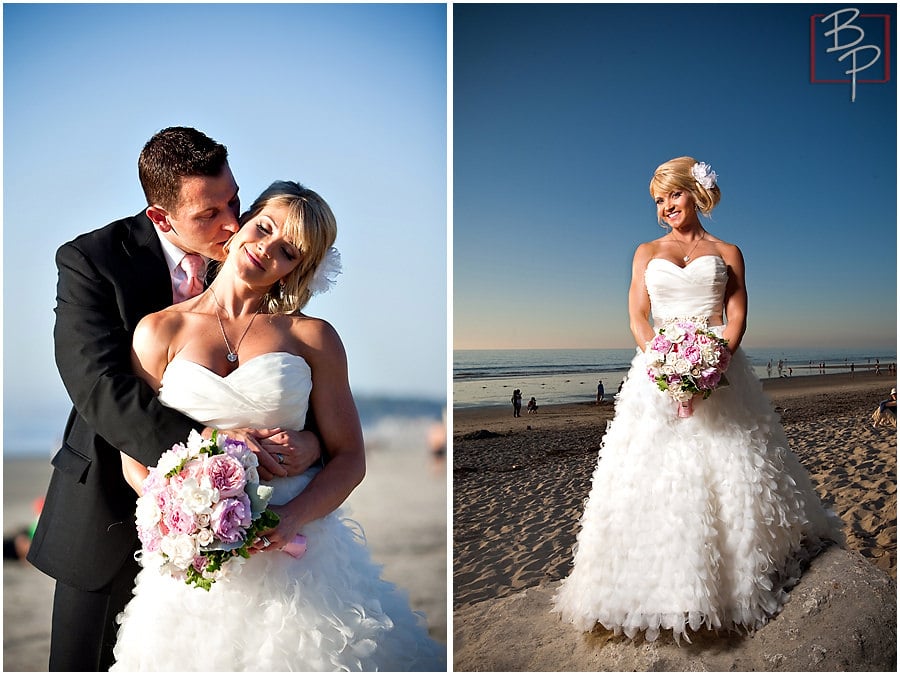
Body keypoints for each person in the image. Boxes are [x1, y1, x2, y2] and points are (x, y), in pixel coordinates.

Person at [110, 181, 445, 671]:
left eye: (287, 251)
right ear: (243, 221)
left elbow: (350, 458)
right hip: (197, 558)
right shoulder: (159, 329)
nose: (266, 249)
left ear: (297, 268)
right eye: (264, 228)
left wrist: (291, 519)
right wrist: (186, 516)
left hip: (297, 555)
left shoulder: (313, 337)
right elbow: (135, 459)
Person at [26, 127, 321, 672]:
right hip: (108, 511)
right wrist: (218, 452)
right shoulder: (90, 261)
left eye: (234, 199)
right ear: (162, 218)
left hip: (244, 522)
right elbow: (100, 389)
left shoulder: (251, 254)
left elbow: (288, 379)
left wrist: (309, 442)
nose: (231, 222)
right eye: (209, 213)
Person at [552, 157, 843, 643]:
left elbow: (736, 317)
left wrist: (712, 364)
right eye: (659, 200)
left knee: (735, 468)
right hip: (658, 375)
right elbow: (638, 318)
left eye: (674, 195)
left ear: (696, 193)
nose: (667, 207)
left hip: (720, 370)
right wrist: (666, 362)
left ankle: (734, 585)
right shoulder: (645, 252)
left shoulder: (728, 252)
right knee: (651, 476)